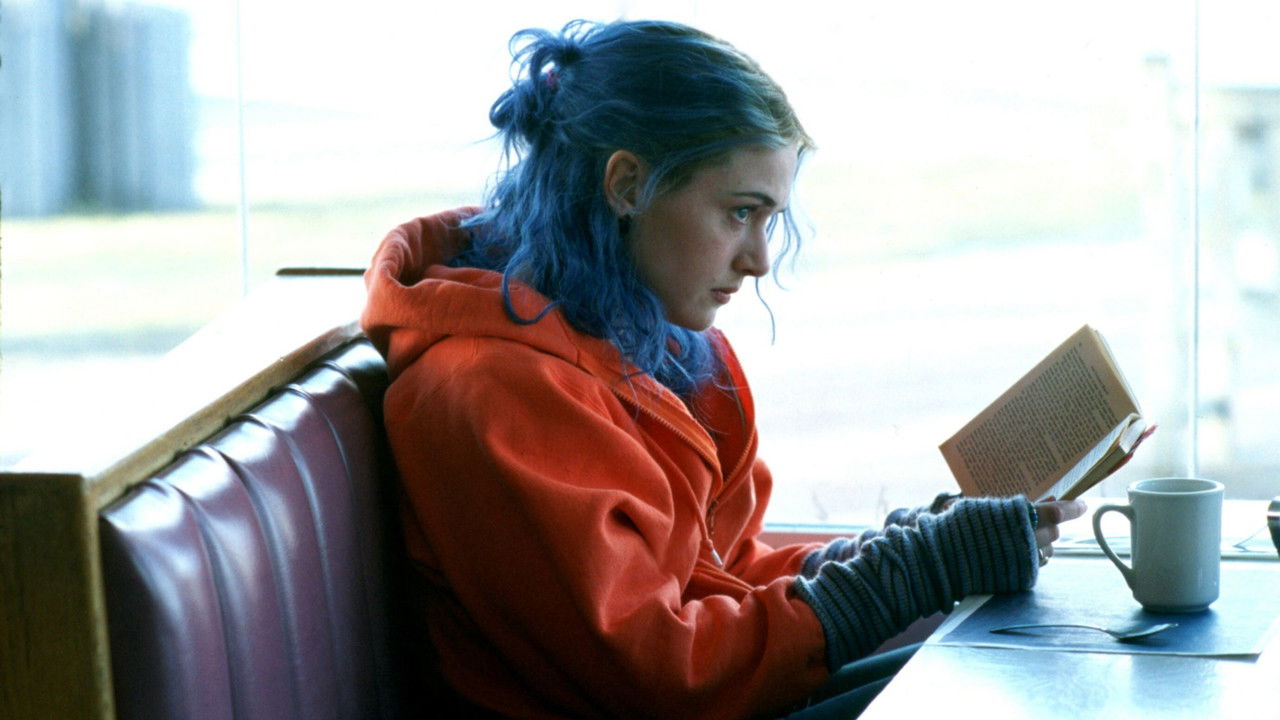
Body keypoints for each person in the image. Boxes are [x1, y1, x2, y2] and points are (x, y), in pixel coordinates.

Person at [360, 18, 1086, 720]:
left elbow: (726, 575)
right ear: (627, 185)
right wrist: (917, 571)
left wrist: (913, 550)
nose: (759, 259)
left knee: (1005, 670)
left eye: (770, 220)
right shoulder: (491, 391)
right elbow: (665, 677)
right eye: (740, 213)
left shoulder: (648, 348)